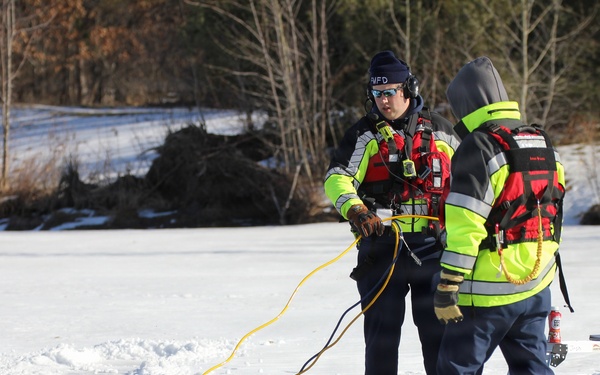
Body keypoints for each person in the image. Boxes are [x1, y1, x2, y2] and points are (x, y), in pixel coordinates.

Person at [323, 50, 460, 375]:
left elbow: (469, 179)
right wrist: (355, 209)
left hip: (433, 252)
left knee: (438, 341)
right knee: (381, 344)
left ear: (408, 89)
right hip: (382, 251)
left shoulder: (441, 131)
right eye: (376, 93)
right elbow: (337, 177)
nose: (383, 101)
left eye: (390, 92)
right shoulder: (363, 134)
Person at [433, 56, 568, 374]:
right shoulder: (542, 141)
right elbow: (553, 209)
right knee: (532, 367)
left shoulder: (478, 145)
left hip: (486, 292)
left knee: (456, 368)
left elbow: (466, 223)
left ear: (465, 104)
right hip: (536, 286)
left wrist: (448, 284)